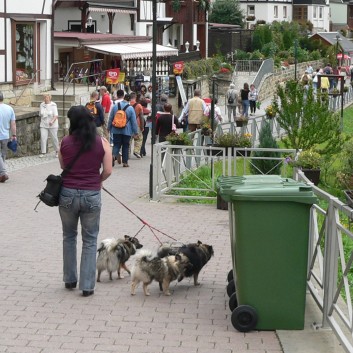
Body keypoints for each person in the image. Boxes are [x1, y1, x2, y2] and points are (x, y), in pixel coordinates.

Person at [58, 105, 112, 297]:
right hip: (91, 194)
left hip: (67, 194)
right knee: (90, 240)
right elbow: (107, 170)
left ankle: (70, 278)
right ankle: (87, 286)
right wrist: (97, 181)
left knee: (69, 236)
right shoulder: (102, 142)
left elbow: (63, 166)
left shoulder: (65, 141)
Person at [108, 89, 138, 167]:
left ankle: (113, 156)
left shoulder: (115, 106)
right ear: (130, 100)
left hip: (116, 129)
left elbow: (111, 118)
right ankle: (125, 162)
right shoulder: (131, 108)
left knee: (116, 144)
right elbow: (134, 122)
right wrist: (135, 132)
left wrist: (109, 127)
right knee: (126, 145)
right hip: (127, 131)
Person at [0, 91, 16, 166]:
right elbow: (13, 124)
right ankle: (2, 170)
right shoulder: (10, 109)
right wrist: (14, 135)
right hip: (5, 135)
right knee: (3, 154)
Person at [129, 92, 144, 159]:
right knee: (138, 138)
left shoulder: (127, 104)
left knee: (129, 140)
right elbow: (141, 117)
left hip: (128, 125)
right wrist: (142, 127)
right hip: (137, 124)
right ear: (135, 97)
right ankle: (136, 151)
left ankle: (127, 153)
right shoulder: (139, 106)